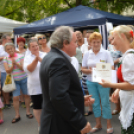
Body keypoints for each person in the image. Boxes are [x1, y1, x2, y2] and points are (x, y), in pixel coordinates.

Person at [39, 26, 92, 134]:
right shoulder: (58, 61)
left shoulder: (50, 57)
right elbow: (58, 96)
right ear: (65, 43)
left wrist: (79, 99)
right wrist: (80, 122)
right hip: (59, 125)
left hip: (55, 122)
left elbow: (57, 91)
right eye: (74, 42)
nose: (77, 45)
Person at [99, 25, 134, 134]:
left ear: (122, 36)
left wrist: (112, 85)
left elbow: (132, 85)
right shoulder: (127, 56)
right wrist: (119, 90)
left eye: (114, 38)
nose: (112, 42)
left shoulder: (129, 57)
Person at [82, 32, 114, 134]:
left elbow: (112, 67)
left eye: (98, 42)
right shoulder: (87, 54)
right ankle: (98, 124)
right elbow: (83, 69)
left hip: (103, 81)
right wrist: (91, 71)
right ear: (90, 43)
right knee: (95, 103)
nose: (96, 44)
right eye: (94, 42)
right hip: (90, 81)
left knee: (105, 102)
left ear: (101, 42)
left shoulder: (106, 53)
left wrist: (99, 69)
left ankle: (109, 124)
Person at [3, 42, 33, 123]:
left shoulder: (21, 56)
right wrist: (13, 65)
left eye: (11, 48)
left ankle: (28, 112)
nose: (10, 50)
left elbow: (23, 68)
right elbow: (7, 71)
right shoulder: (5, 59)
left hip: (24, 79)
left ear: (14, 48)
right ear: (6, 50)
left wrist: (16, 63)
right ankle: (17, 115)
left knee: (26, 95)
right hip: (14, 81)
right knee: (15, 98)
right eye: (8, 49)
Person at [23, 39, 46, 131]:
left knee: (48, 105)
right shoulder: (27, 57)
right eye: (33, 46)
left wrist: (39, 58)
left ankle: (50, 123)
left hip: (45, 85)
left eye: (36, 45)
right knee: (37, 106)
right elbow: (29, 69)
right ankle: (41, 125)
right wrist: (36, 59)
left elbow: (48, 65)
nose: (36, 47)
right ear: (29, 48)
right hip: (34, 87)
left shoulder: (44, 55)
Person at [0, 34, 12, 109]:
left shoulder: (10, 46)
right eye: (9, 39)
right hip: (3, 71)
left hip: (12, 70)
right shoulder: (0, 48)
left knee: (10, 86)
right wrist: (6, 57)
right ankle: (6, 102)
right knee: (5, 87)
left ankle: (7, 100)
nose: (11, 40)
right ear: (4, 39)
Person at [17, 37, 27, 108]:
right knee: (20, 88)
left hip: (25, 71)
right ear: (17, 43)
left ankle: (27, 100)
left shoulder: (26, 51)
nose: (21, 43)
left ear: (24, 43)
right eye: (19, 42)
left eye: (22, 42)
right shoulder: (15, 51)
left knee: (25, 87)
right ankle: (22, 101)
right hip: (17, 71)